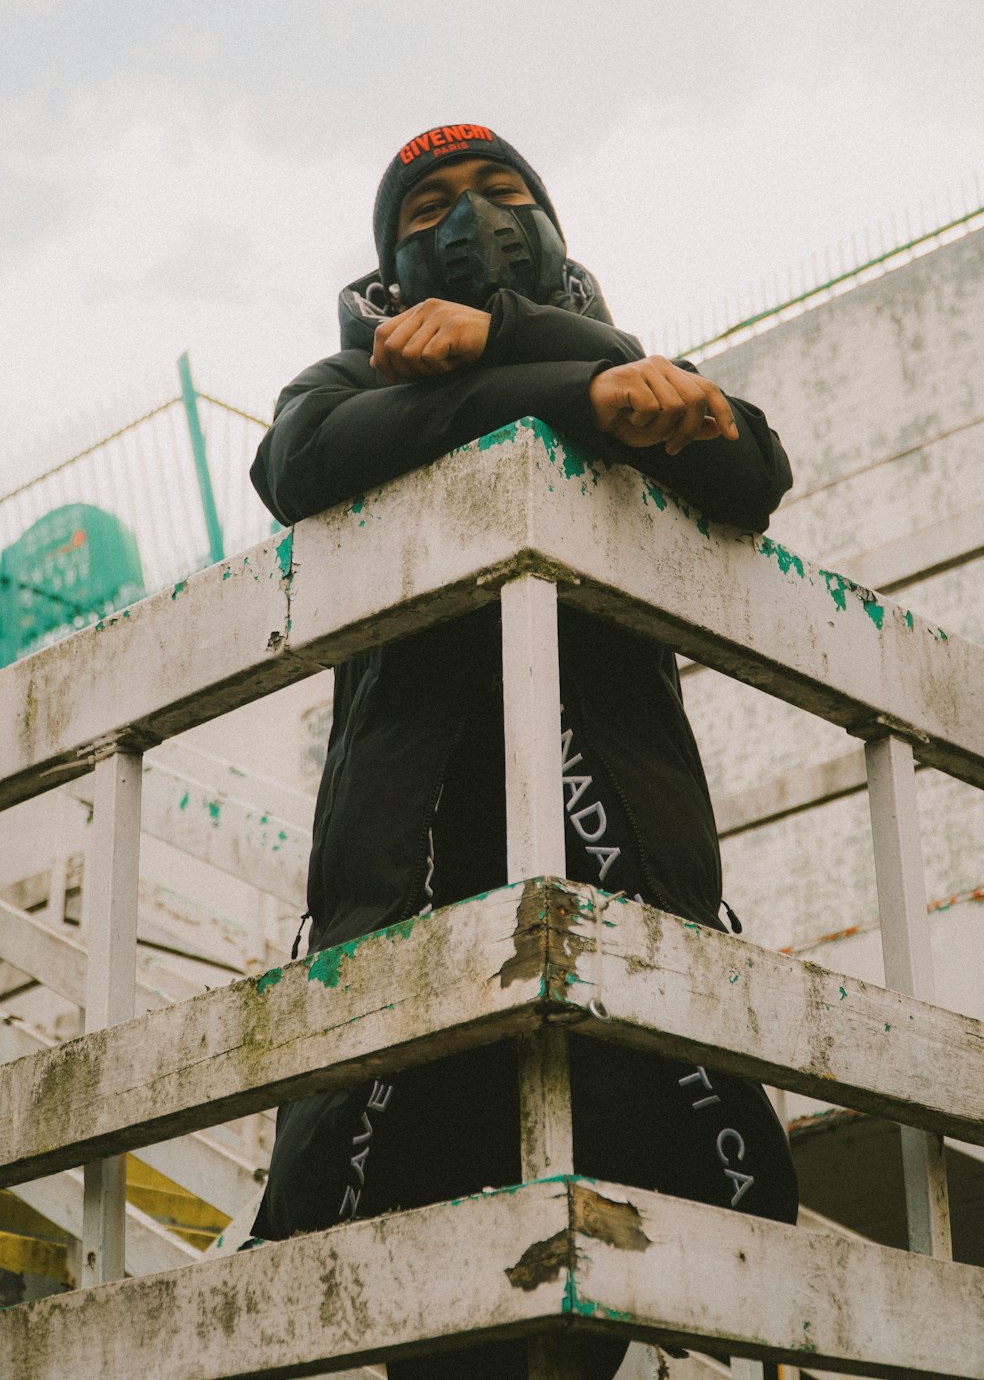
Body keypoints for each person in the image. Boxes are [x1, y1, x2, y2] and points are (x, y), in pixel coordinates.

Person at [248, 123, 797, 1379]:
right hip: (413, 918)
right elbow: (307, 461)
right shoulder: (335, 385)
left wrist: (506, 343)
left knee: (606, 1287)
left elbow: (746, 462)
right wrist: (577, 394)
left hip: (620, 909)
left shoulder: (646, 371)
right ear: (387, 262)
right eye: (429, 204)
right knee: (432, 1308)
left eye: (501, 194)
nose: (473, 219)